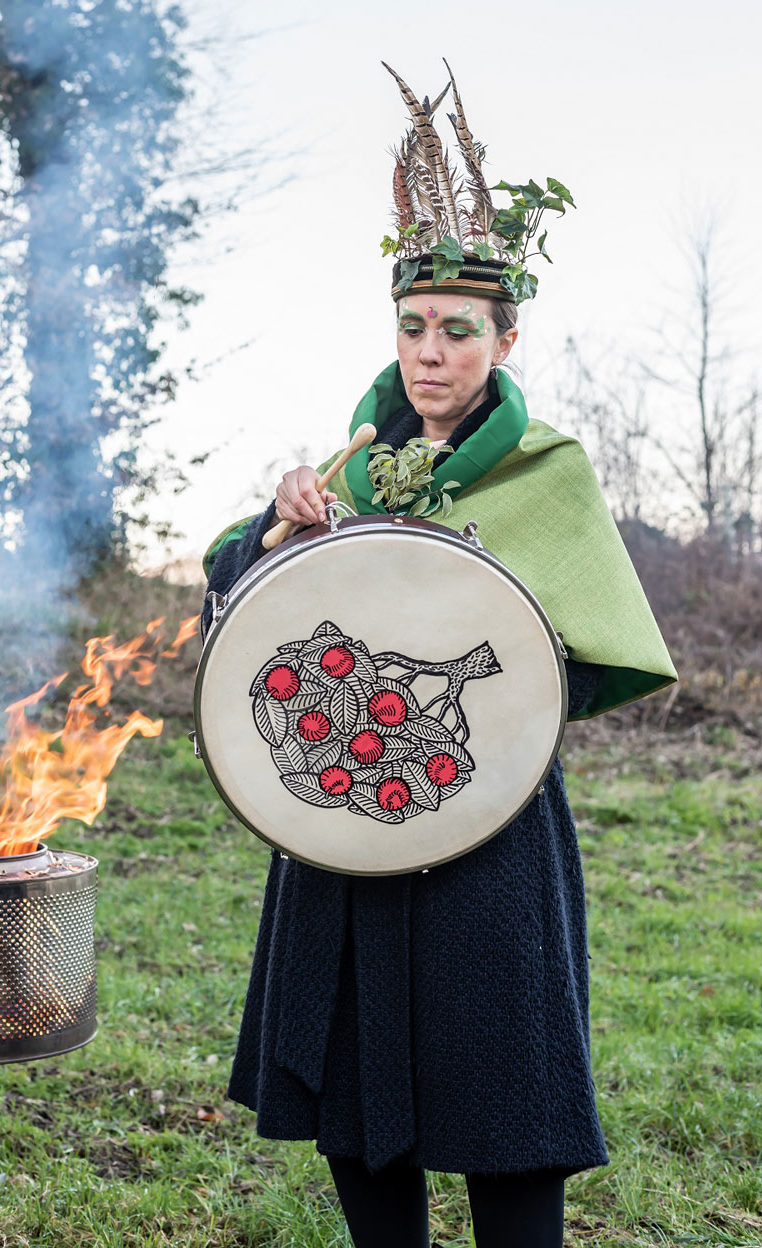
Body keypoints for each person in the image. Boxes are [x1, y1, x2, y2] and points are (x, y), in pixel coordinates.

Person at [200, 63, 676, 1248]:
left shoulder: (547, 472)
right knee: (362, 1111)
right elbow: (240, 595)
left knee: (507, 1105)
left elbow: (593, 654)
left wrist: (489, 686)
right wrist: (281, 526)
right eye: (412, 329)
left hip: (484, 824)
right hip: (348, 816)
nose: (430, 353)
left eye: (458, 332)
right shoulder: (354, 466)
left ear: (504, 336)